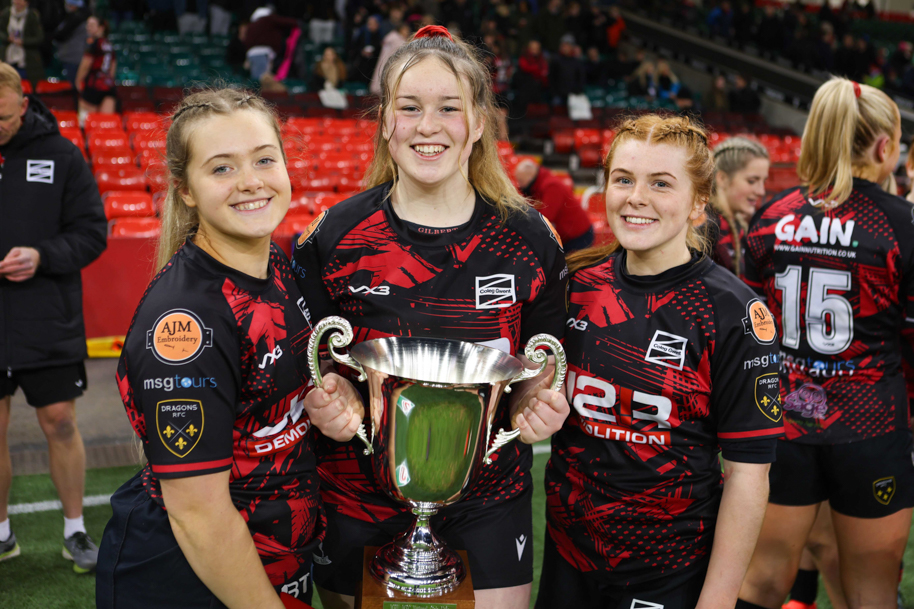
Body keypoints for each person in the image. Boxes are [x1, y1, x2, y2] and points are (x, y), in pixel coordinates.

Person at [293, 25, 570, 609]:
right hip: (356, 494)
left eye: (448, 108)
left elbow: (537, 371)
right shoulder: (333, 237)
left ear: (477, 124)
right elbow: (315, 365)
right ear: (386, 123)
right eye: (409, 108)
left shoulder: (531, 239)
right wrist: (332, 399)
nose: (427, 126)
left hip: (487, 495)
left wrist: (534, 407)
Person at [534, 113, 781, 609]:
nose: (636, 197)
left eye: (661, 184)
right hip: (567, 563)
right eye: (623, 179)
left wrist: (717, 601)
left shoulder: (734, 314)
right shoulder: (574, 286)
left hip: (669, 575)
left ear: (698, 203)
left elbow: (749, 475)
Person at [95, 88, 326, 609]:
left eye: (264, 160)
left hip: (278, 557)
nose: (250, 182)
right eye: (221, 169)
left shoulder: (280, 269)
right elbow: (199, 514)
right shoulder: (185, 323)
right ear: (187, 191)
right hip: (193, 577)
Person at [737, 77, 914, 609]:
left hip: (784, 425)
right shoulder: (903, 225)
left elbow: (753, 333)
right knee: (871, 590)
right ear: (884, 145)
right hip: (872, 429)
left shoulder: (770, 217)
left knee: (762, 582)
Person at [0, 62, 107, 569]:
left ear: (23, 105)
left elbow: (92, 232)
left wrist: (42, 256)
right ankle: (1, 533)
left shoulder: (61, 155)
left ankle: (75, 530)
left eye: (1, 116)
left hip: (47, 316)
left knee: (60, 422)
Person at [706, 136, 769, 276]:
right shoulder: (706, 226)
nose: (761, 191)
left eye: (764, 181)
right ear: (722, 178)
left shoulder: (738, 225)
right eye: (752, 181)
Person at [515, 158, 594, 251]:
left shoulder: (552, 186)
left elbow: (545, 217)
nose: (519, 185)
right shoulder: (536, 186)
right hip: (566, 236)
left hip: (578, 237)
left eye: (520, 180)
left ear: (530, 177)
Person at [75, 16, 116, 116]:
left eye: (92, 25)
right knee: (105, 124)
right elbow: (112, 69)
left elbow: (85, 65)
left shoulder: (93, 44)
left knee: (87, 123)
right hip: (108, 88)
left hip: (92, 86)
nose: (88, 28)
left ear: (101, 28)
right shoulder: (110, 45)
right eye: (87, 25)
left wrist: (78, 82)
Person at [0, 0, 45, 85]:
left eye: (22, 0)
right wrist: (7, 38)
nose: (18, 2)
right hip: (8, 57)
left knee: (25, 86)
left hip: (26, 60)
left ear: (27, 2)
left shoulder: (32, 15)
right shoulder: (6, 13)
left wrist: (24, 42)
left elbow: (39, 38)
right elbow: (1, 31)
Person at [52, 0, 88, 87]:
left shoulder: (76, 18)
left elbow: (60, 35)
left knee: (74, 86)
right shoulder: (72, 16)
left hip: (73, 57)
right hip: (71, 56)